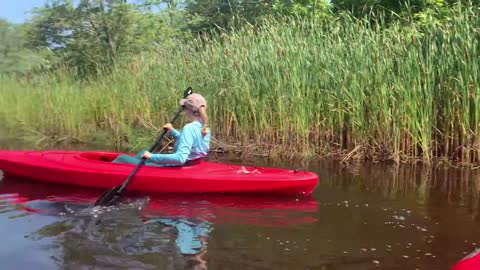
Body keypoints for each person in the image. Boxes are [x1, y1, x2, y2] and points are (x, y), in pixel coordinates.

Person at [112, 93, 211, 167]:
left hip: (179, 166)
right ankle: (135, 163)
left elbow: (180, 158)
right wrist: (172, 130)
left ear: (188, 109)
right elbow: (190, 142)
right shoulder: (205, 127)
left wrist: (151, 157)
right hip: (192, 164)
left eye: (183, 107)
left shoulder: (189, 128)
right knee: (142, 152)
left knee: (121, 158)